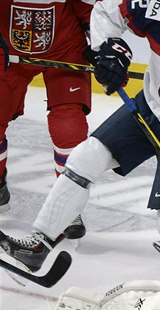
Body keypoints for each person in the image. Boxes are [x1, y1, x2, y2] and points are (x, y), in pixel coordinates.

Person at [0, 0, 160, 294]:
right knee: (84, 158)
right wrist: (108, 48)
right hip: (146, 109)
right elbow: (107, 9)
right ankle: (40, 245)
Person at [0, 0, 94, 237]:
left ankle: (67, 202)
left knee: (69, 126)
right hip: (5, 47)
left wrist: (104, 43)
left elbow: (90, 8)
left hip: (65, 45)